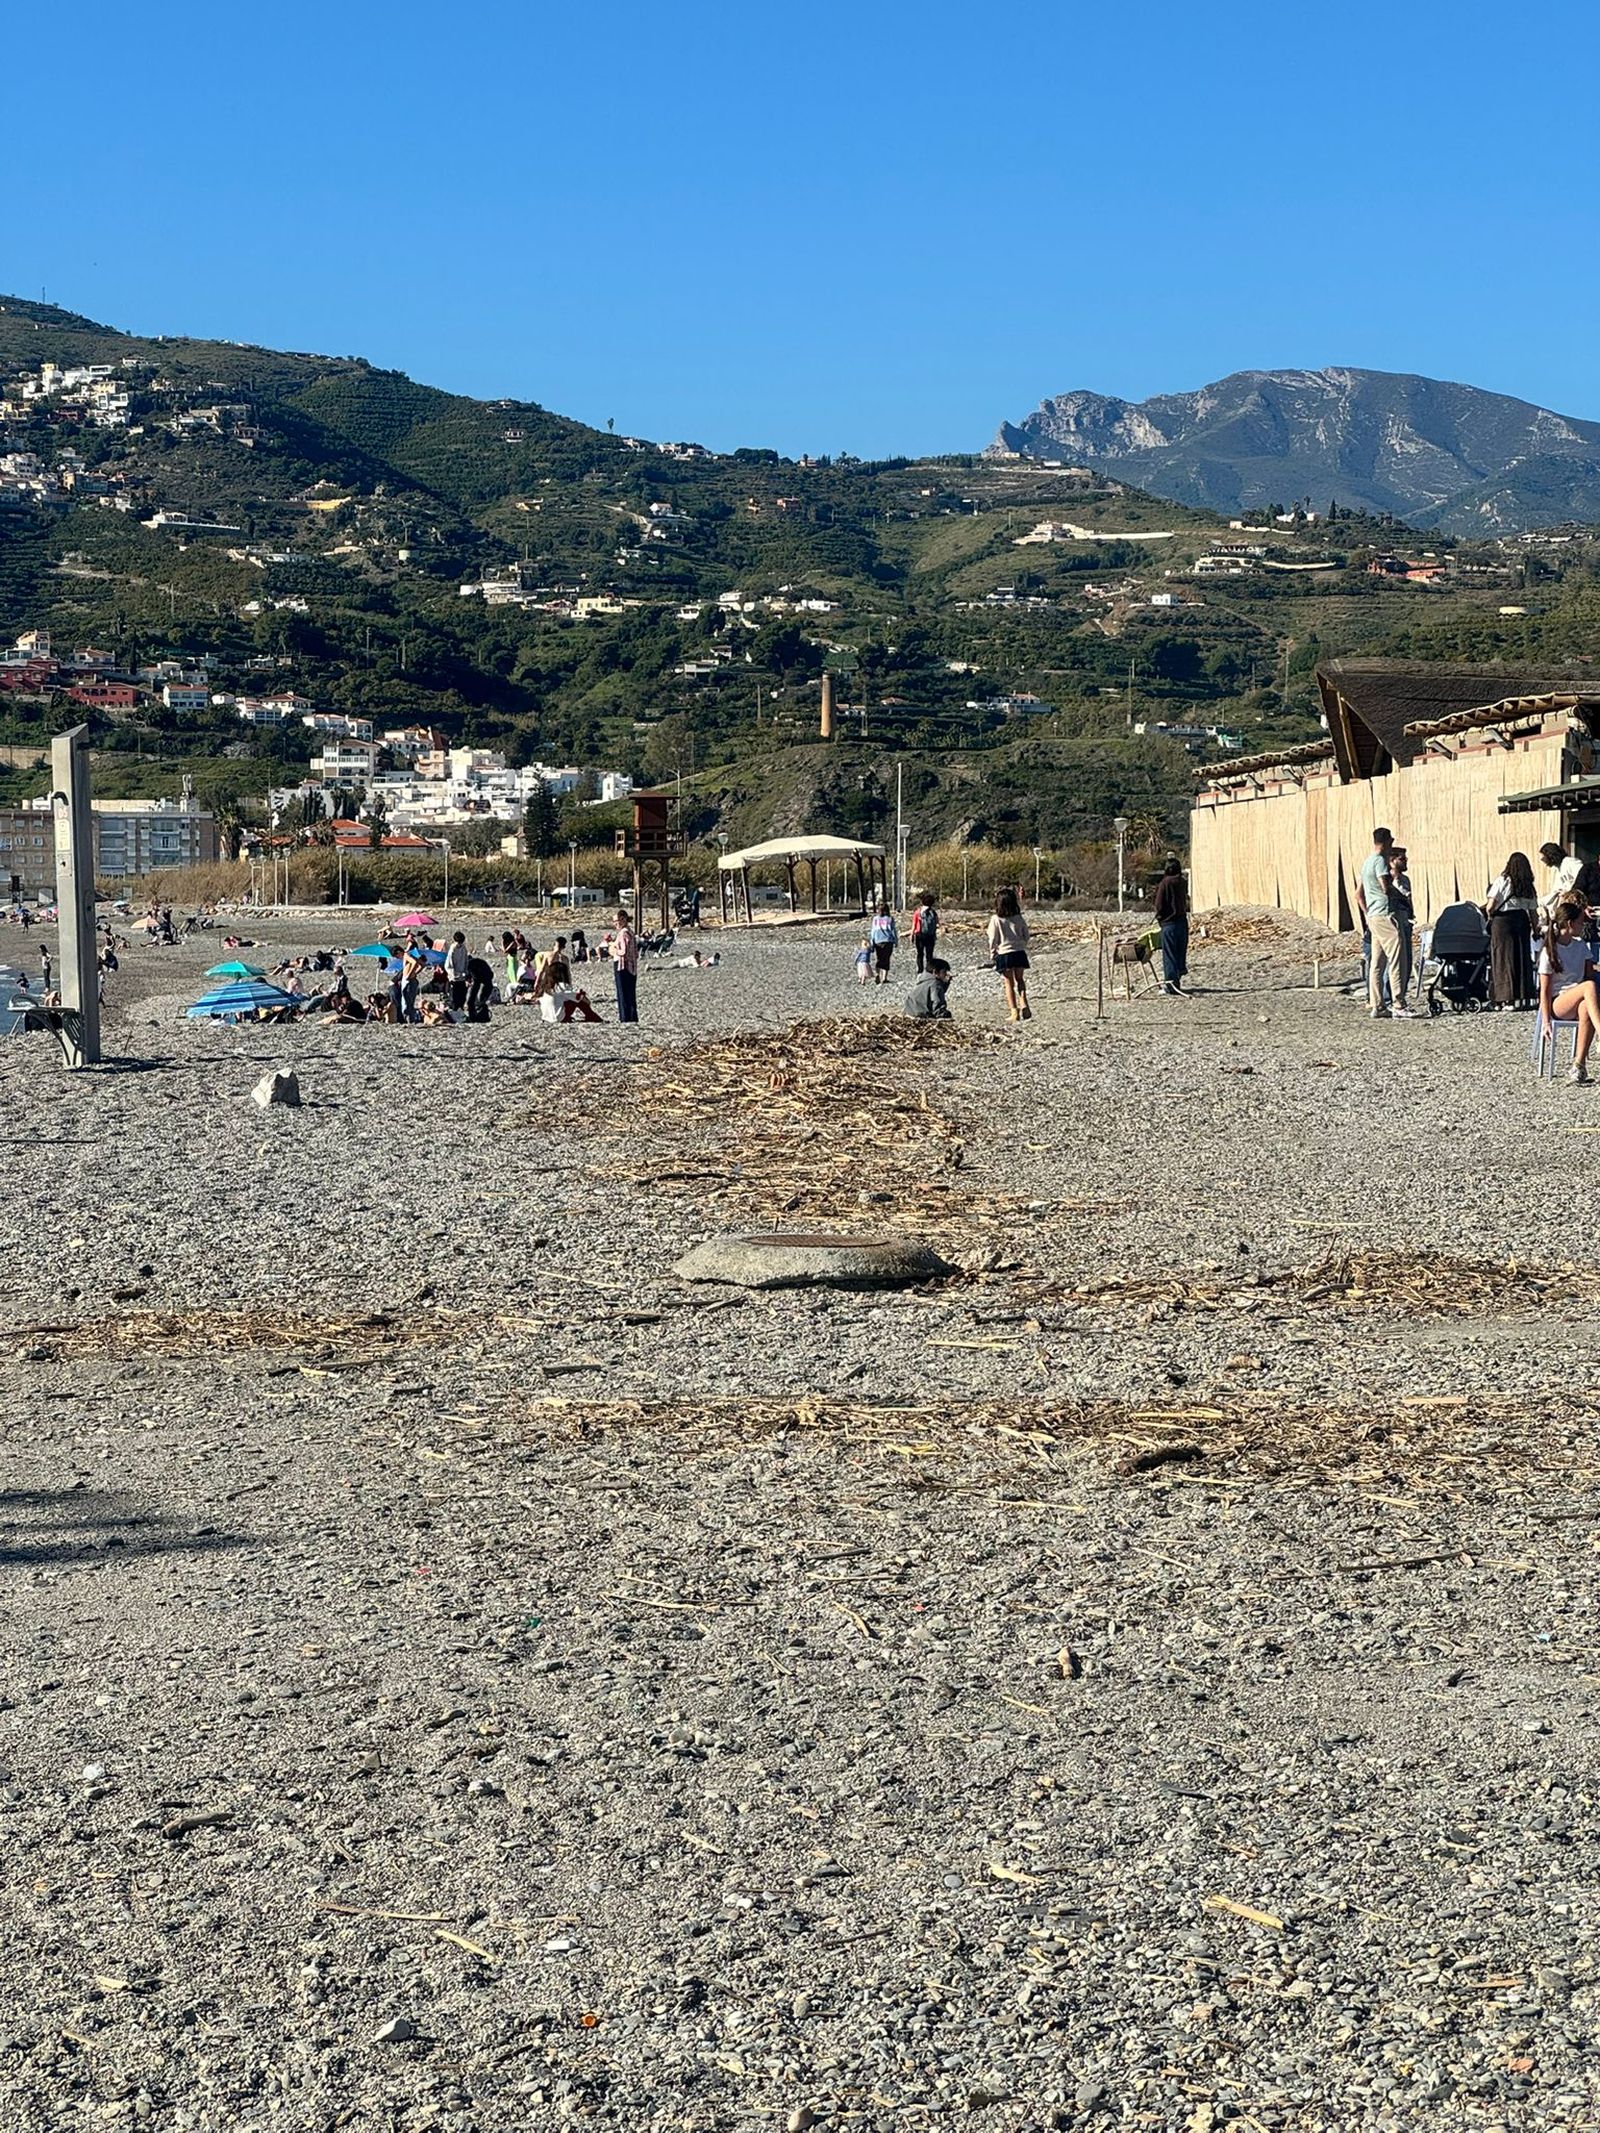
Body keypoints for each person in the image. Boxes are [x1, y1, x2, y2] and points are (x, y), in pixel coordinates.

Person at [1539, 897, 1600, 1084]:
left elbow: (1590, 974)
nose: (1583, 926)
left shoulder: (1580, 945)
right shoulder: (1550, 950)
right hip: (1560, 1001)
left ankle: (1578, 1065)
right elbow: (1545, 990)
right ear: (1569, 923)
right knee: (1588, 987)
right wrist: (1546, 1020)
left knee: (1585, 1007)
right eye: (1580, 923)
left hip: (1580, 996)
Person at [1357, 827, 1411, 1020]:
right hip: (1386, 914)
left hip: (1373, 916)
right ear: (1388, 841)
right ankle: (1399, 1003)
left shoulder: (1366, 862)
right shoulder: (1380, 861)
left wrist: (1367, 913)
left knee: (1377, 963)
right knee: (1397, 958)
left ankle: (1377, 1004)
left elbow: (1359, 893)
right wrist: (1401, 897)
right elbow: (1386, 887)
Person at [1484, 851, 1539, 1009]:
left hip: (1503, 922)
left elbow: (1490, 906)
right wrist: (1535, 931)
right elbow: (1533, 913)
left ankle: (1505, 998)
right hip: (1522, 921)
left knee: (1503, 959)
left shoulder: (1503, 880)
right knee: (1521, 958)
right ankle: (1522, 997)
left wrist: (1490, 915)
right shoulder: (1528, 886)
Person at [986, 887, 1031, 1021]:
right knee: (1020, 980)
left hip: (1004, 953)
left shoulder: (996, 919)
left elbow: (992, 938)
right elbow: (1026, 935)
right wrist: (1021, 944)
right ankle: (1024, 1003)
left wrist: (992, 953)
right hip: (1019, 952)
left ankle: (1014, 1011)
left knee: (1008, 983)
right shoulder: (1018, 917)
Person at [1153, 855, 1189, 996]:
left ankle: (1170, 985)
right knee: (1180, 952)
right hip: (1182, 921)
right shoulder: (1182, 882)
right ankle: (1177, 980)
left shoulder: (1165, 883)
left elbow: (1159, 904)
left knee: (1169, 954)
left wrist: (1159, 916)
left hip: (1169, 923)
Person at [1389, 845, 1416, 1008]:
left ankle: (1402, 996)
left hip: (1406, 921)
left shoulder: (1405, 880)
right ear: (1392, 861)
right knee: (1394, 961)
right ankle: (1390, 998)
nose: (1405, 861)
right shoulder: (1389, 880)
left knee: (1406, 960)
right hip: (1394, 921)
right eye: (1402, 858)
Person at [1540, 841, 1584, 918]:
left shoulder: (1569, 862)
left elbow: (1583, 876)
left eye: (1544, 856)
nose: (1542, 859)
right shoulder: (1558, 869)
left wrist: (1569, 891)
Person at [611, 908, 639, 1022]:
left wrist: (614, 950)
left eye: (616, 921)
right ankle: (631, 1017)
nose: (615, 924)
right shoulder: (630, 932)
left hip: (622, 965)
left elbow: (624, 951)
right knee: (630, 993)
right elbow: (636, 952)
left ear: (622, 919)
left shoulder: (623, 933)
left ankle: (625, 1018)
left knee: (622, 993)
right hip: (632, 966)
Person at [869, 902, 898, 984]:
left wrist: (872, 941)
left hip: (878, 941)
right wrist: (895, 940)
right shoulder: (890, 919)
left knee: (879, 958)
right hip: (888, 940)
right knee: (886, 959)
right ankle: (884, 977)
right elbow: (893, 931)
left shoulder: (875, 919)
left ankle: (877, 974)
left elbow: (873, 931)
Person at [911, 890, 940, 974]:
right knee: (929, 954)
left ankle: (920, 970)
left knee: (920, 953)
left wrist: (912, 935)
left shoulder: (918, 912)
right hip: (930, 935)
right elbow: (937, 923)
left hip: (920, 935)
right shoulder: (933, 912)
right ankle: (929, 969)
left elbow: (914, 925)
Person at [464, 953, 494, 1023]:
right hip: (486, 981)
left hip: (482, 981)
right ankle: (482, 1016)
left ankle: (475, 1018)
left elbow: (474, 978)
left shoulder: (469, 964)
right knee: (481, 1001)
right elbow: (491, 975)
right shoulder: (478, 962)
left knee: (472, 1001)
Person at [444, 930, 470, 1012]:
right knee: (454, 997)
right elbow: (449, 964)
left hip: (462, 976)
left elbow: (466, 961)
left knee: (462, 996)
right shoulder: (453, 949)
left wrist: (466, 973)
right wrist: (453, 975)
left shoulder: (463, 948)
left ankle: (460, 1009)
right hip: (454, 978)